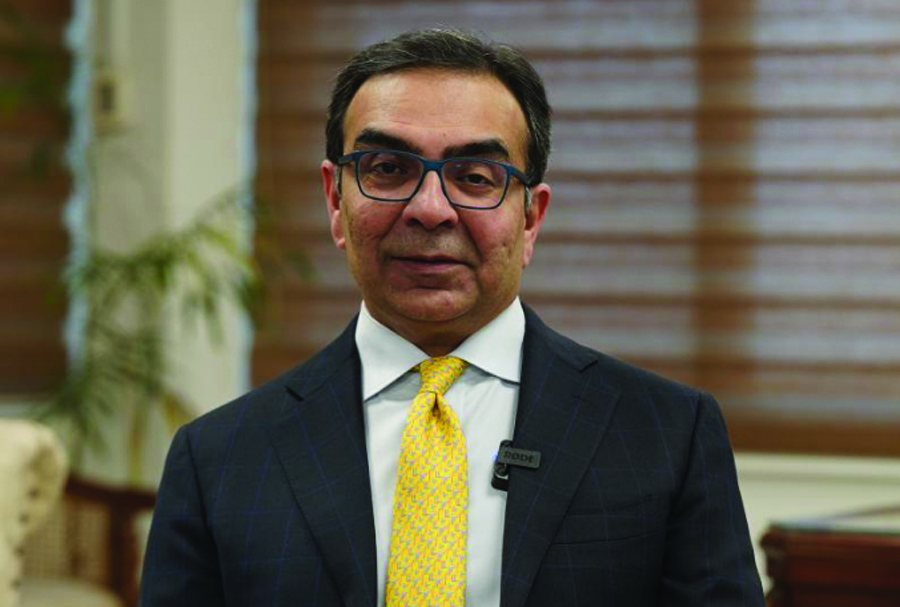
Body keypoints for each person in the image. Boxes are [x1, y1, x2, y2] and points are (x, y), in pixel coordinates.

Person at [141, 28, 765, 607]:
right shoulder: (218, 458)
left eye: (475, 176)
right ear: (335, 200)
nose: (430, 209)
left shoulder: (666, 434)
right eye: (389, 170)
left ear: (530, 218)